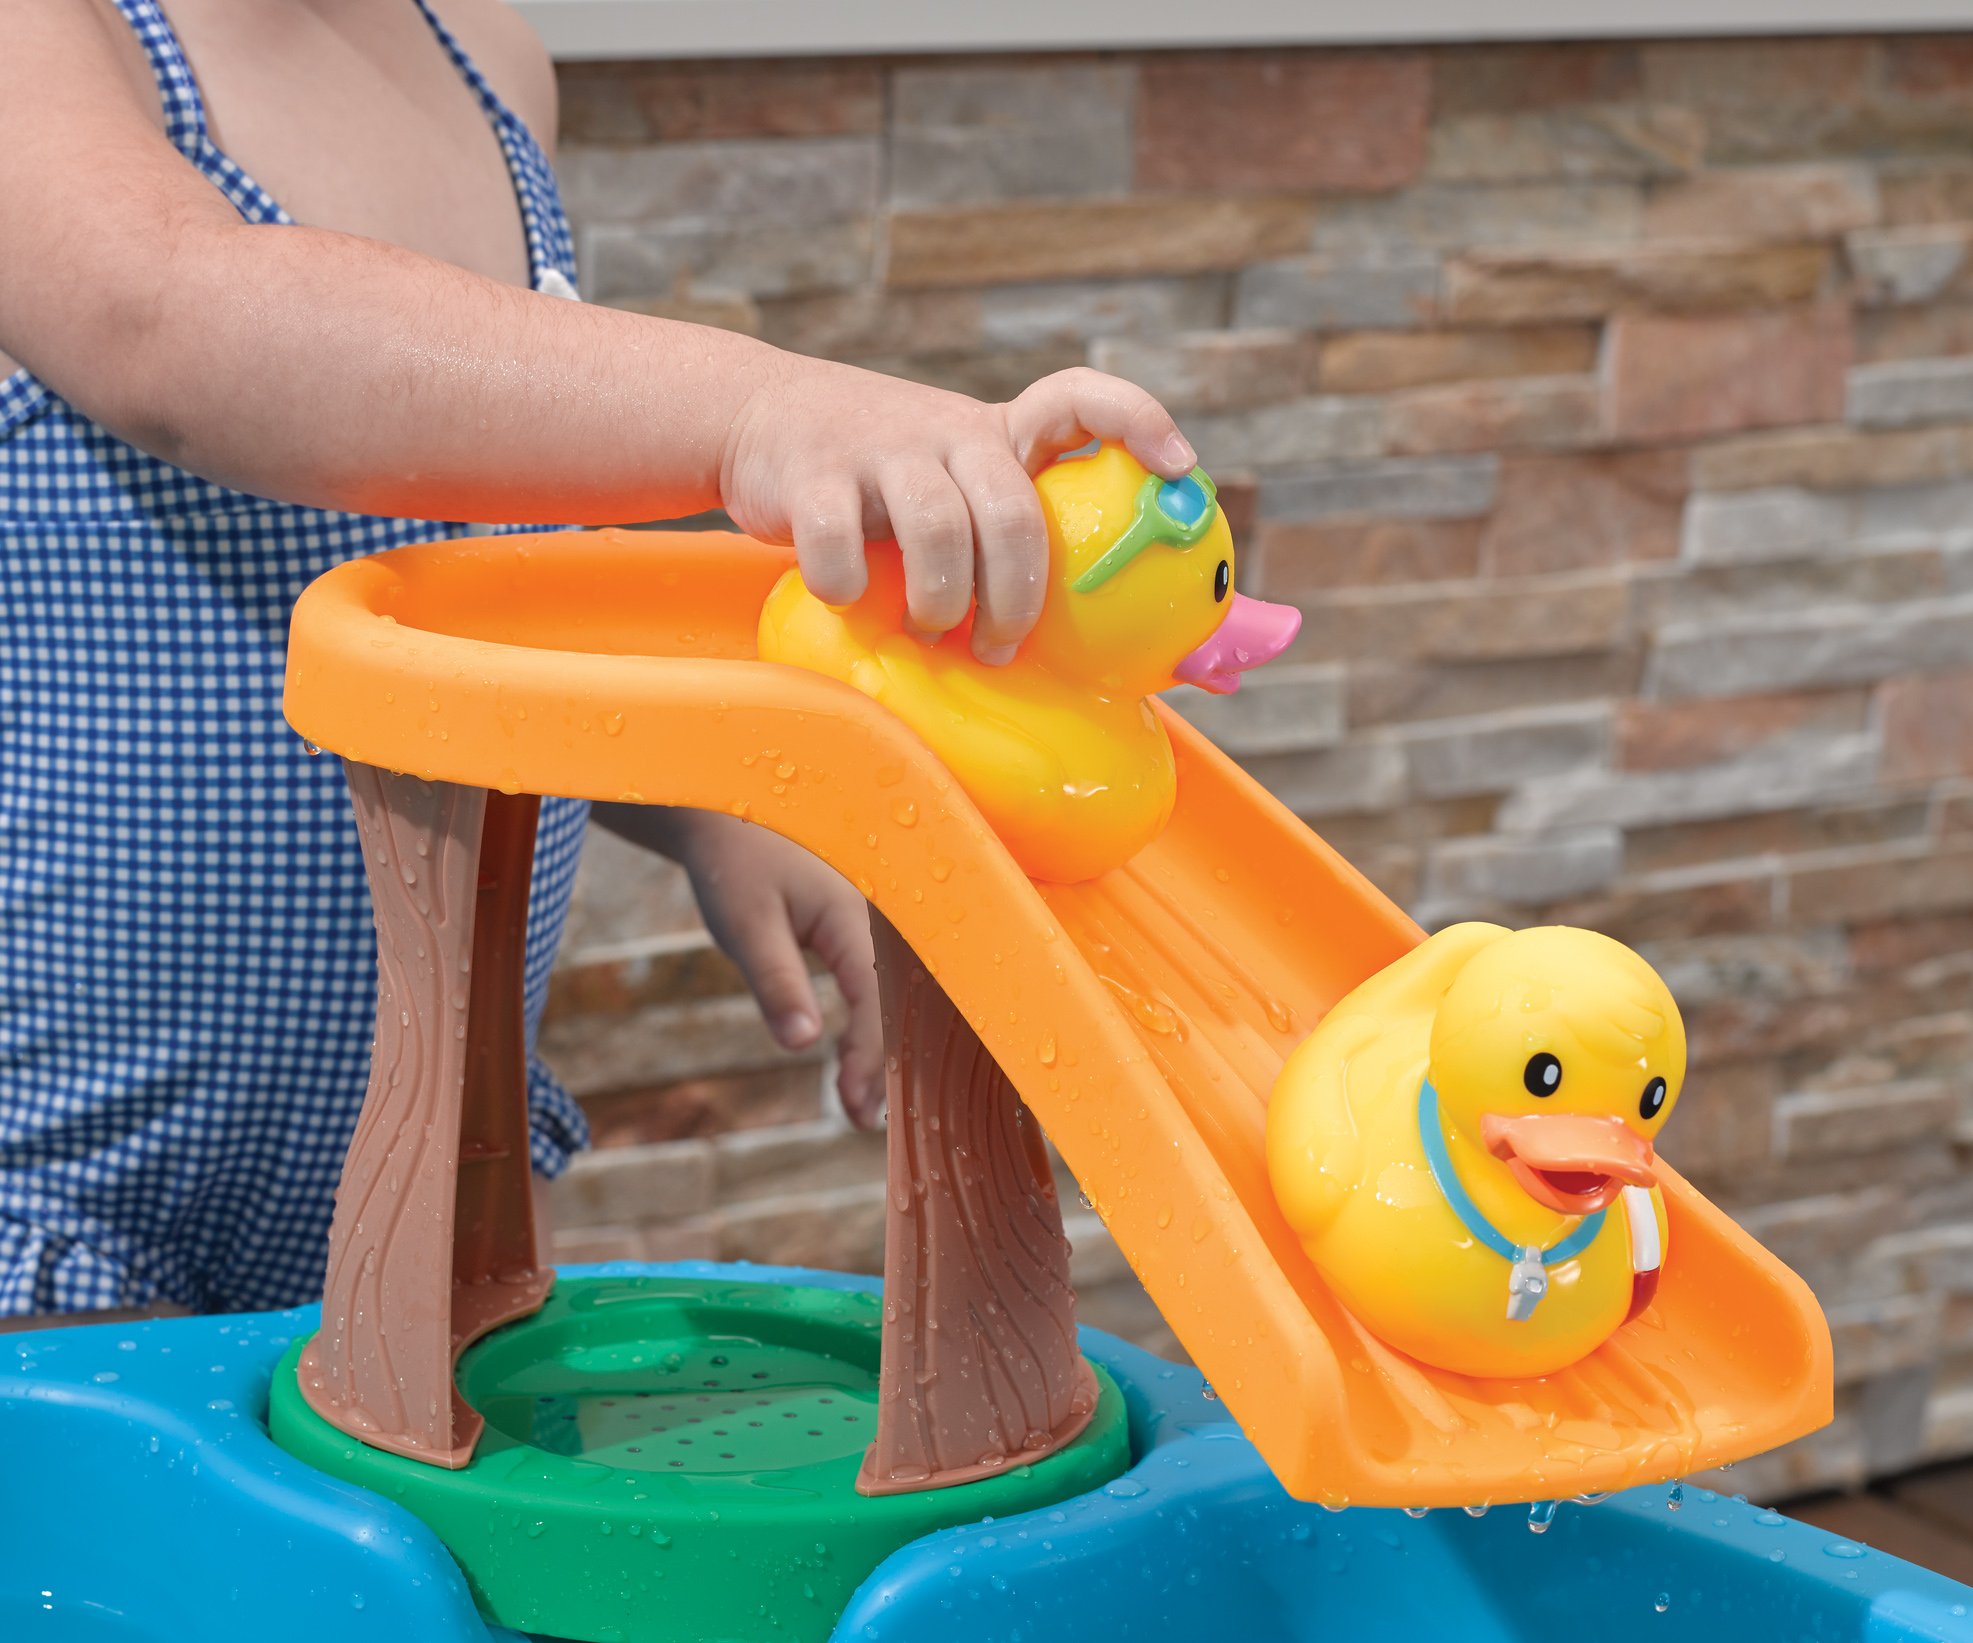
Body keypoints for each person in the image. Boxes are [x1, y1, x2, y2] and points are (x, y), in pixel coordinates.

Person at [0, 0, 1193, 1320]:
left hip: (429, 1159)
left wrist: (703, 796)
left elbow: (502, 566)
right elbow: (166, 315)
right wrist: (756, 409)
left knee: (447, 1448)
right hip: (48, 1197)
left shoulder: (484, 57)